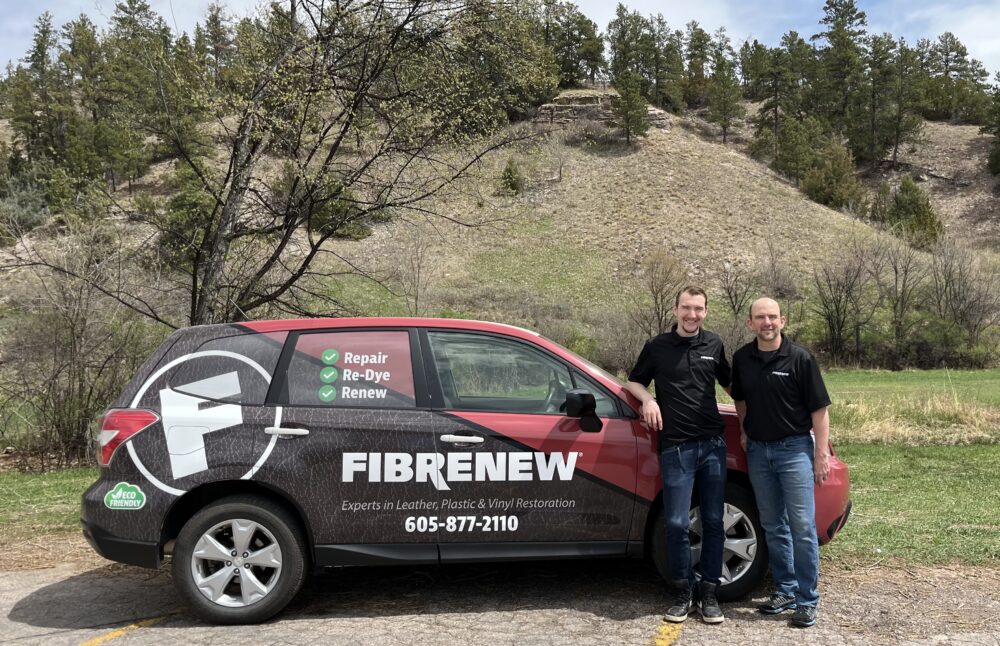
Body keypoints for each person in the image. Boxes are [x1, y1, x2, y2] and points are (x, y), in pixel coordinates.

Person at [625, 286, 732, 625]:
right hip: (676, 448)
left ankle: (710, 593)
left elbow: (733, 386)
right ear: (675, 310)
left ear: (705, 312)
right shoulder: (657, 346)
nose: (692, 314)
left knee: (713, 521)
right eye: (686, 308)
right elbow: (633, 382)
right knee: (675, 523)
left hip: (712, 446)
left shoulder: (714, 344)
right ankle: (683, 592)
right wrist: (649, 400)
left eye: (698, 309)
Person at [730, 297, 831, 629]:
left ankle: (807, 599)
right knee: (773, 525)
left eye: (772, 317)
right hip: (759, 452)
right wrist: (744, 430)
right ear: (750, 323)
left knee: (802, 527)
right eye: (760, 317)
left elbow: (819, 410)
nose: (767, 322)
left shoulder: (800, 358)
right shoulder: (742, 358)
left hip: (794, 450)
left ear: (783, 321)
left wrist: (820, 455)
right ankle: (785, 590)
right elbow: (740, 398)